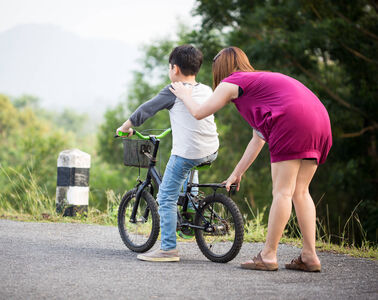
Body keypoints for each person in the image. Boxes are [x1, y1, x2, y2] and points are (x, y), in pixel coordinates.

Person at [169, 46, 332, 271]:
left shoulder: (232, 82)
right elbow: (258, 138)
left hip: (292, 121)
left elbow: (198, 112)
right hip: (319, 119)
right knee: (300, 191)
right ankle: (310, 256)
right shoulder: (259, 84)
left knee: (283, 192)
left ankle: (268, 255)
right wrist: (238, 172)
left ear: (220, 69)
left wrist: (185, 94)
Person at [116, 45, 219, 262]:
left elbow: (147, 109)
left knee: (165, 197)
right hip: (211, 150)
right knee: (187, 169)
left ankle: (168, 249)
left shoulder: (174, 89)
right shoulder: (206, 89)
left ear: (174, 69)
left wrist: (125, 127)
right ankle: (191, 210)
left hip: (188, 153)